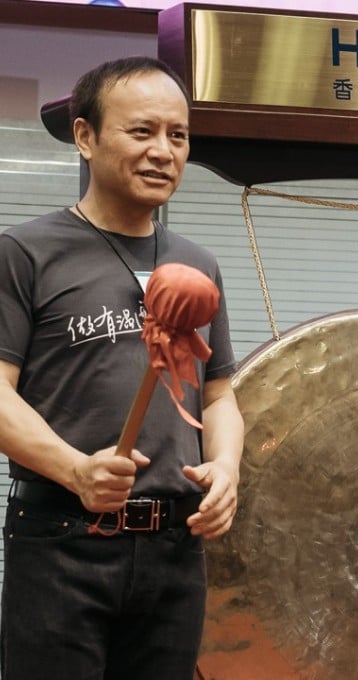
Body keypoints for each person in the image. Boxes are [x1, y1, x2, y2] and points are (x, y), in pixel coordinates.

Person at [0, 56, 244, 679]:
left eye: (178, 135)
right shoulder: (26, 253)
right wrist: (76, 469)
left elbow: (218, 398)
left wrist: (226, 469)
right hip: (62, 539)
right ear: (85, 136)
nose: (164, 151)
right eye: (142, 132)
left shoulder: (198, 265)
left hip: (173, 550)